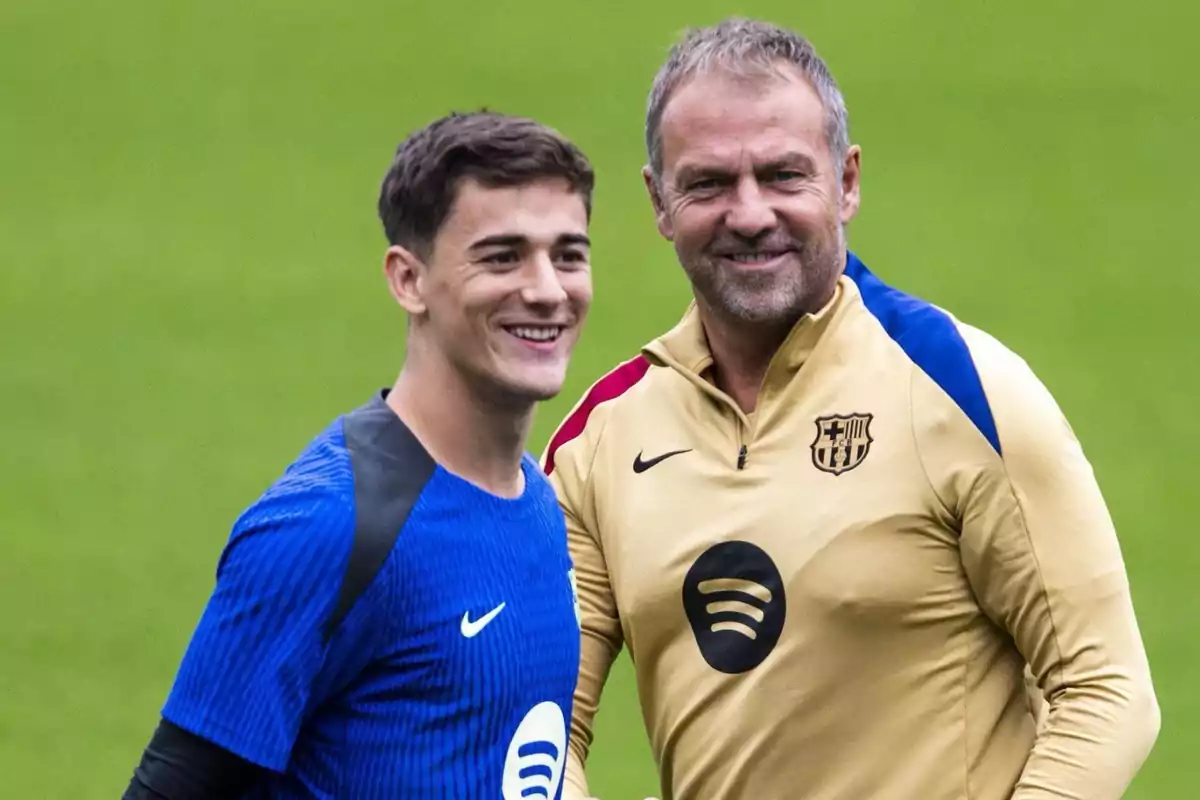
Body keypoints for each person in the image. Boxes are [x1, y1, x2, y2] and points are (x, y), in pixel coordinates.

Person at [542, 17, 1160, 800]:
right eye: (707, 183)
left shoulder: (962, 389)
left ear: (848, 181)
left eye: (783, 175)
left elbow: (1106, 693)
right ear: (659, 201)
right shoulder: (598, 441)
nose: (750, 212)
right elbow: (536, 723)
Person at [123, 110, 595, 799]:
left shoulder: (537, 502)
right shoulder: (330, 526)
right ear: (408, 280)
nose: (548, 290)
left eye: (568, 255)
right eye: (502, 256)